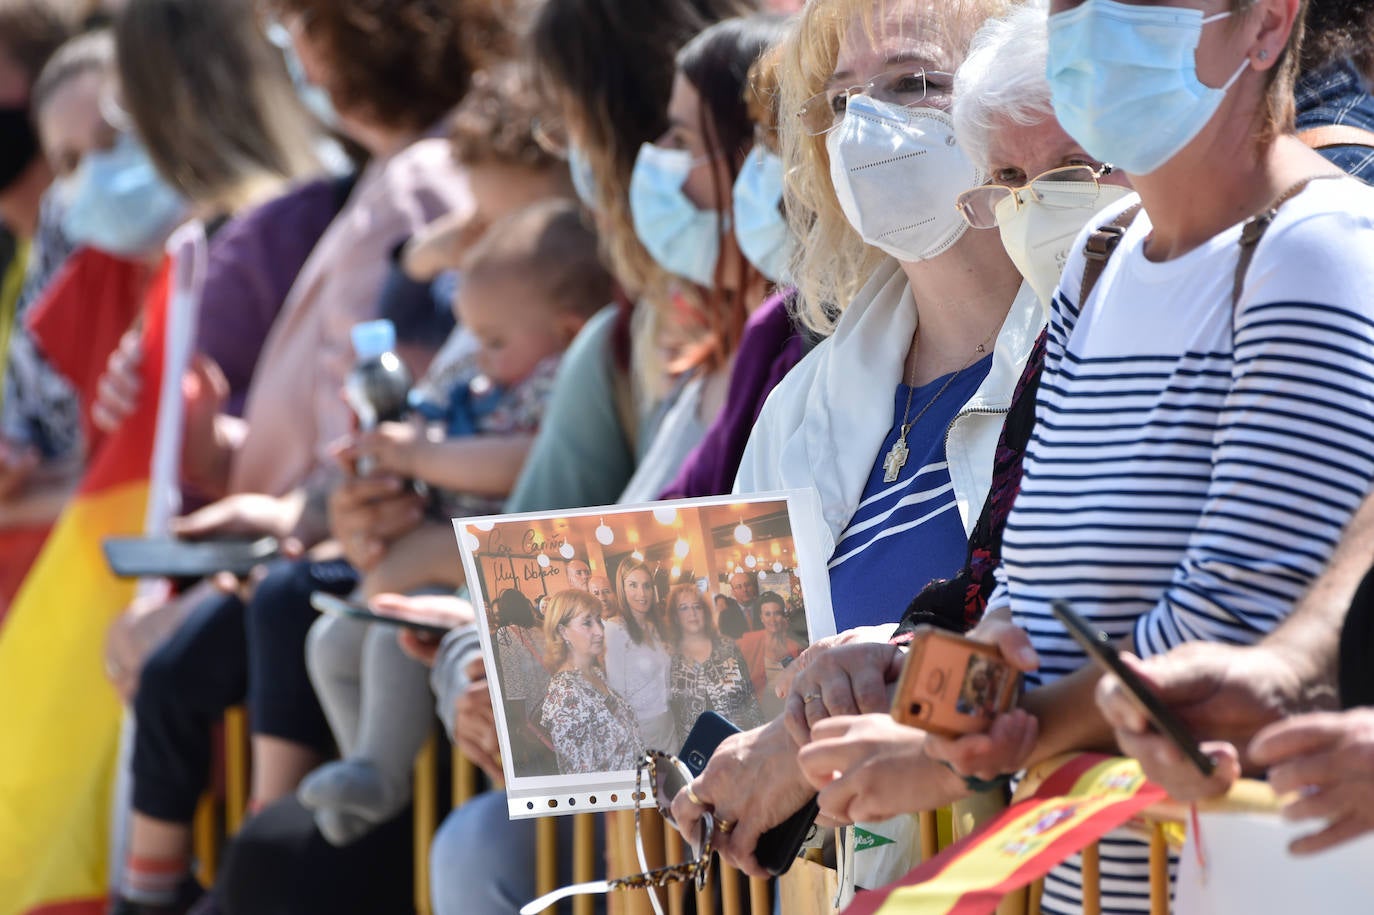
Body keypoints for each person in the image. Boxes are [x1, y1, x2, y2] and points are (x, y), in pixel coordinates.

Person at [912, 0, 1374, 908]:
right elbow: (1024, 598)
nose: (1089, 25)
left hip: (1231, 883)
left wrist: (970, 749)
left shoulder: (1319, 252)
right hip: (1069, 883)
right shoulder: (1098, 254)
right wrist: (918, 706)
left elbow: (1227, 625)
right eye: (1069, 3)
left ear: (1267, 25)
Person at [112, 0, 481, 907]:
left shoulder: (425, 177)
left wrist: (291, 524)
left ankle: (246, 862)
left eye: (303, 27)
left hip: (343, 547)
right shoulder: (392, 173)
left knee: (222, 670)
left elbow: (389, 405)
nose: (295, 56)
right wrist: (227, 450)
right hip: (317, 526)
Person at [670, 0, 1043, 880]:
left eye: (914, 84)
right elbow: (717, 705)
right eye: (841, 103)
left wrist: (810, 735)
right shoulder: (802, 403)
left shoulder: (1089, 350)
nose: (867, 127)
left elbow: (1056, 645)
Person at [299, 201, 611, 845]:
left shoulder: (559, 381)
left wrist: (423, 454)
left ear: (569, 327)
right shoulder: (488, 382)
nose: (483, 358)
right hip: (444, 553)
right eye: (475, 339)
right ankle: (359, 761)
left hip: (502, 568)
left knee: (392, 636)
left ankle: (379, 771)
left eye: (496, 341)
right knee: (329, 641)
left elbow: (519, 461)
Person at [615, 13, 792, 503]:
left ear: (759, 161)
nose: (658, 156)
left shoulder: (791, 355)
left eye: (684, 141)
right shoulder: (718, 352)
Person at [540, 589, 643, 774]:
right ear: (563, 632)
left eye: (598, 620)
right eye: (587, 623)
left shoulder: (595, 672)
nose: (599, 631)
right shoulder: (565, 693)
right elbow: (580, 779)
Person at [666, 582, 763, 736]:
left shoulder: (728, 648)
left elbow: (750, 700)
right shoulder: (670, 659)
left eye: (697, 606)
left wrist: (759, 739)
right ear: (675, 616)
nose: (692, 613)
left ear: (705, 611)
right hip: (696, 751)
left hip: (737, 741)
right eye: (684, 608)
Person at [604, 557, 677, 750]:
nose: (641, 593)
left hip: (668, 721)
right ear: (622, 588)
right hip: (640, 729)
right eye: (633, 585)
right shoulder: (615, 629)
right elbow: (617, 692)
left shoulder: (655, 627)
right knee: (652, 781)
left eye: (646, 585)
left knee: (674, 780)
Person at [736, 590, 801, 719]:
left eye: (777, 613)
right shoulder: (749, 642)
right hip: (761, 712)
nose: (773, 619)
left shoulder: (795, 647)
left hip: (789, 710)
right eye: (767, 614)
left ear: (783, 615)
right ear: (761, 617)